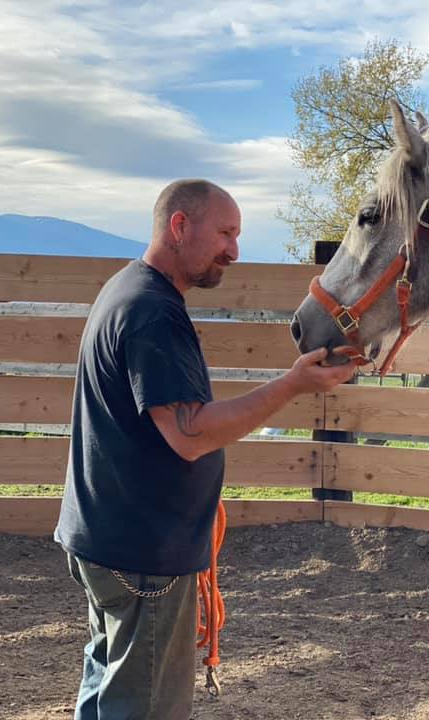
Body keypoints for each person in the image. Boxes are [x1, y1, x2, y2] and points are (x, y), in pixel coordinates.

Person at [54, 179, 356, 720]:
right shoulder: (153, 313)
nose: (234, 251)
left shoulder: (126, 289)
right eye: (225, 233)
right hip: (144, 555)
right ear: (179, 226)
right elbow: (189, 434)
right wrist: (292, 385)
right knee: (144, 708)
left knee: (105, 691)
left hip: (104, 538)